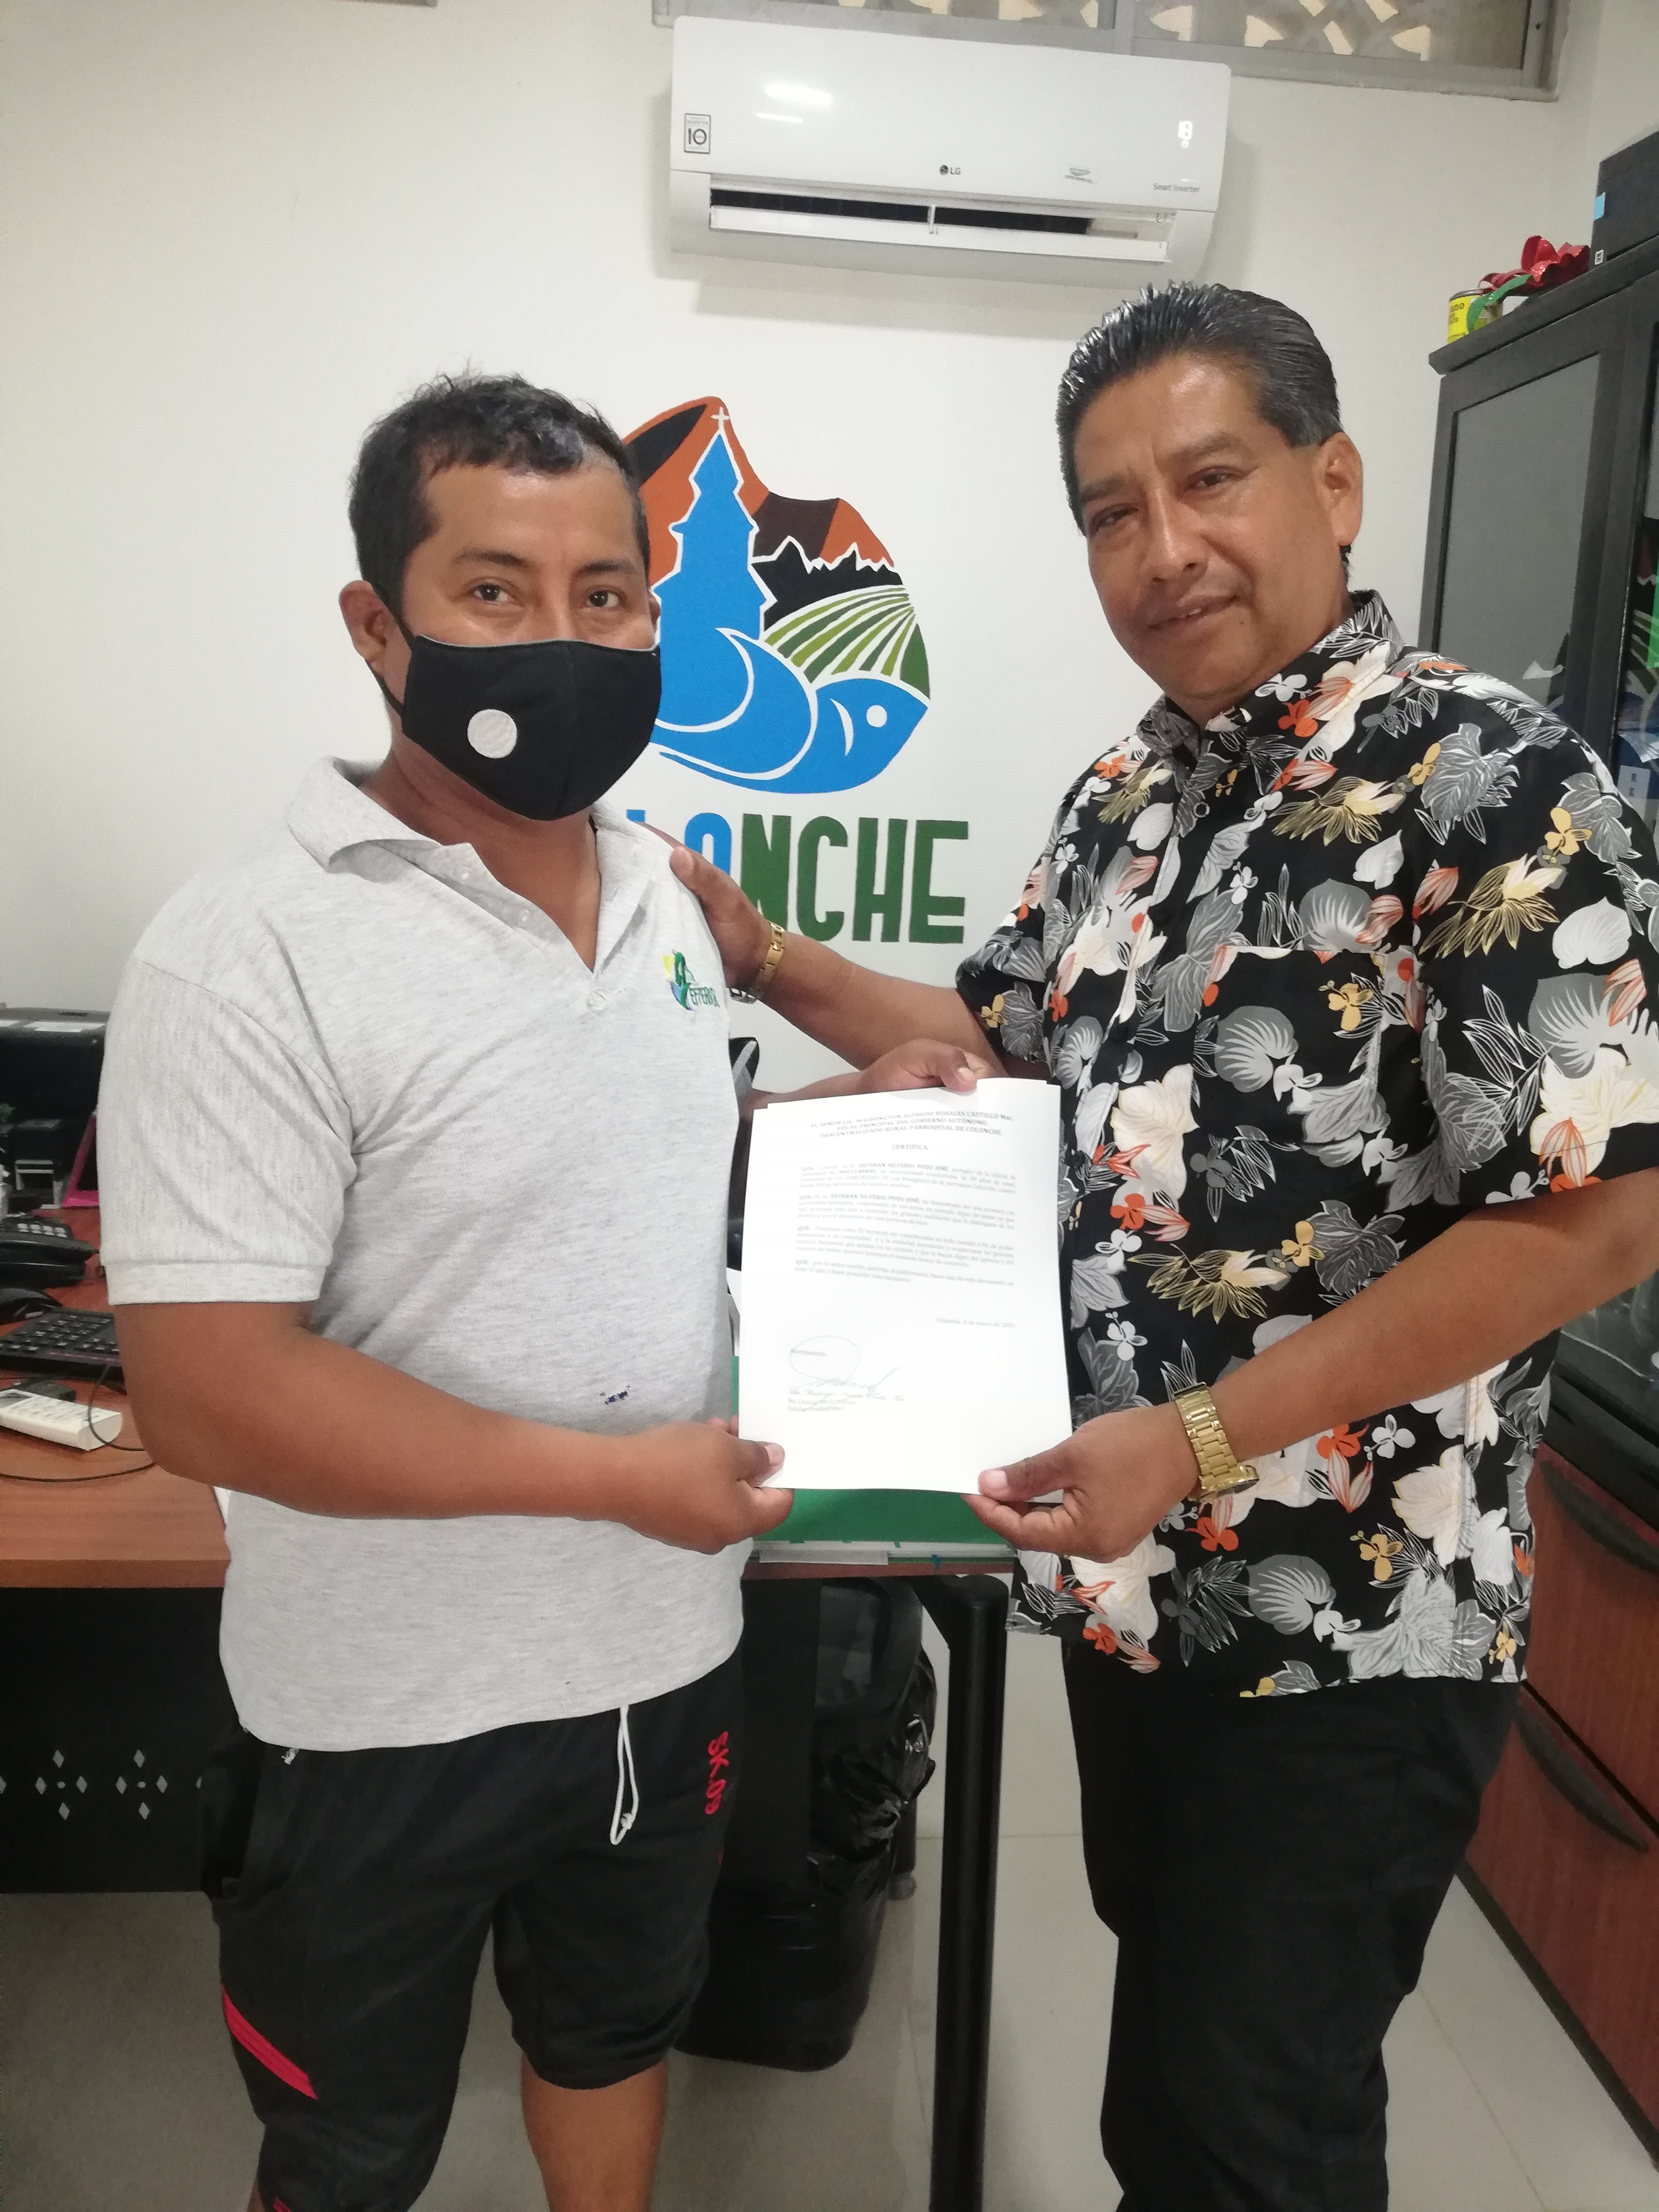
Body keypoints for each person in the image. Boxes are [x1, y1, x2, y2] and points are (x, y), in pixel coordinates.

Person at [667, 284, 1659, 2211]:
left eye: (1210, 481)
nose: (1163, 549)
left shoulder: (1492, 776)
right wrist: (762, 951)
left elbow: (1598, 1210)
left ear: (1335, 482)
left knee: (1253, 2137)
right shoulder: (1134, 795)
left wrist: (1198, 1440)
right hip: (1126, 1587)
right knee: (1182, 2095)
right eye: (1111, 512)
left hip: (1346, 1624)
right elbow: (992, 1050)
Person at [97, 373, 981, 2212]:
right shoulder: (243, 950)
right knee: (347, 2145)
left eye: (609, 596)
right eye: (495, 591)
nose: (564, 640)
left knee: (613, 2037)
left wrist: (834, 1133)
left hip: (659, 1662)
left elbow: (631, 1162)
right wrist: (612, 1482)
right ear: (378, 626)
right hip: (376, 1710)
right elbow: (205, 1390)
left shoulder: (666, 899)